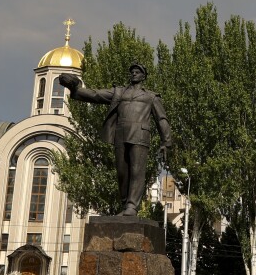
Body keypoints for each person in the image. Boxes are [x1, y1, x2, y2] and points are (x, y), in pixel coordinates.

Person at [59, 63, 172, 216]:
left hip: (140, 136)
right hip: (120, 135)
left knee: (137, 171)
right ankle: (125, 205)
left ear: (143, 76)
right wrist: (76, 89)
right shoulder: (119, 92)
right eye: (132, 71)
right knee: (122, 173)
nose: (134, 74)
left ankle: (132, 206)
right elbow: (96, 95)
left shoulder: (151, 96)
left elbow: (161, 119)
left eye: (137, 72)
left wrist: (166, 141)